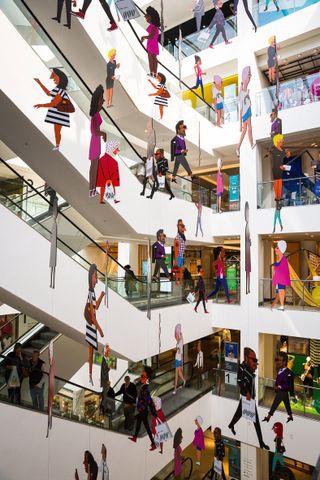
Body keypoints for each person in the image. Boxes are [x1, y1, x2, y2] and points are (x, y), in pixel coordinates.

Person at [228, 347, 269, 450]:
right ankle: (261, 443)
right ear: (246, 357)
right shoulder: (241, 367)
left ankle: (231, 425)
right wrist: (246, 392)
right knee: (256, 421)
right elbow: (239, 381)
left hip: (250, 397)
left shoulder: (250, 368)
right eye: (253, 359)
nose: (255, 361)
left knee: (240, 413)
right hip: (247, 397)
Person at [34, 68, 73, 151]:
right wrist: (39, 83)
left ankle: (58, 145)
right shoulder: (57, 89)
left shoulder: (61, 91)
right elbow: (48, 93)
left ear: (60, 78)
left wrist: (41, 105)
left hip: (59, 113)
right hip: (56, 112)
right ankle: (57, 145)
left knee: (57, 130)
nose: (53, 79)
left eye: (55, 77)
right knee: (56, 130)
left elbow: (54, 103)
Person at [84, 264, 105, 385]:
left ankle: (90, 375)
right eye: (95, 277)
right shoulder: (90, 293)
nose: (96, 280)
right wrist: (100, 329)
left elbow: (95, 307)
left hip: (91, 325)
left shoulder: (92, 293)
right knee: (90, 350)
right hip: (91, 325)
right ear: (91, 277)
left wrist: (101, 296)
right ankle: (90, 375)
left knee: (91, 351)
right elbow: (92, 315)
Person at [128, 367, 157, 451]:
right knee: (140, 424)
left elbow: (149, 402)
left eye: (143, 377)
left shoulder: (145, 389)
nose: (141, 378)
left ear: (147, 378)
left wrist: (154, 413)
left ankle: (153, 443)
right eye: (141, 376)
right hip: (141, 410)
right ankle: (136, 437)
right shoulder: (143, 386)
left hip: (143, 411)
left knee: (143, 425)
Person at [263, 352, 294, 423]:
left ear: (284, 362)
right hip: (282, 392)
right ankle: (290, 416)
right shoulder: (279, 370)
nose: (277, 362)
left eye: (279, 360)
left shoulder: (289, 373)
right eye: (277, 360)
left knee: (275, 403)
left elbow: (288, 386)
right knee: (287, 404)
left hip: (283, 391)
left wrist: (279, 386)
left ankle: (268, 417)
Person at [88, 85, 106, 198]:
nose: (103, 101)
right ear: (97, 101)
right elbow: (95, 132)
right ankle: (92, 190)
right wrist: (104, 134)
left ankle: (92, 189)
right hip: (95, 142)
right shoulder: (95, 115)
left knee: (94, 167)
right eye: (101, 99)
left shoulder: (96, 114)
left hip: (95, 142)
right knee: (94, 167)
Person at [236, 66, 255, 157]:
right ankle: (250, 144)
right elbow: (240, 108)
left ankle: (239, 147)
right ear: (245, 77)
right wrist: (239, 124)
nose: (250, 77)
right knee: (248, 128)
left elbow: (248, 103)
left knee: (246, 129)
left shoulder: (246, 91)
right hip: (245, 112)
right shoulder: (241, 92)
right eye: (249, 75)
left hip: (248, 110)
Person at [96, 140, 121, 204]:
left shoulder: (110, 159)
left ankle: (114, 200)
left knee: (110, 188)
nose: (117, 151)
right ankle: (102, 200)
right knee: (103, 188)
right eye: (116, 149)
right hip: (107, 179)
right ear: (111, 148)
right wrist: (108, 179)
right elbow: (105, 169)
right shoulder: (105, 159)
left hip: (109, 179)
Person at [141, 6, 160, 78]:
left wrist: (143, 37)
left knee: (151, 59)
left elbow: (151, 36)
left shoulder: (153, 27)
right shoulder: (154, 26)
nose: (146, 18)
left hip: (152, 44)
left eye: (147, 16)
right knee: (153, 58)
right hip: (153, 44)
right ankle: (154, 73)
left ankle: (153, 73)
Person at [271, 240, 291, 311]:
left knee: (281, 291)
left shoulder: (283, 259)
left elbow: (284, 271)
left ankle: (282, 305)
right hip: (279, 279)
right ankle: (282, 305)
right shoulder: (280, 258)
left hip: (281, 279)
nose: (275, 249)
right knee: (280, 291)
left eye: (277, 248)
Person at [271, 134, 289, 202]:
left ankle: (279, 196)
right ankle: (277, 197)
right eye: (282, 139)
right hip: (276, 168)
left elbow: (287, 156)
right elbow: (276, 160)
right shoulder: (274, 150)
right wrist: (280, 166)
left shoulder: (282, 149)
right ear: (278, 141)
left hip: (281, 169)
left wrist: (287, 152)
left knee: (280, 182)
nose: (283, 141)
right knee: (277, 182)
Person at [173, 324, 186, 394]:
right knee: (179, 373)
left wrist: (182, 364)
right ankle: (184, 380)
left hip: (178, 360)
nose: (175, 336)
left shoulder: (180, 343)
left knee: (176, 374)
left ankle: (175, 389)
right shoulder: (178, 342)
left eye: (176, 335)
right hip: (176, 359)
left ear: (178, 335)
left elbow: (181, 354)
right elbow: (178, 352)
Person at [174, 219, 187, 286]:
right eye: (180, 225)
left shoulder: (183, 236)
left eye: (182, 225)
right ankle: (177, 281)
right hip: (178, 256)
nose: (181, 226)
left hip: (181, 256)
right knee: (178, 270)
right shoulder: (177, 238)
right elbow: (176, 250)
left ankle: (180, 282)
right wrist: (176, 260)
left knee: (180, 270)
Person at [244, 201, 251, 294]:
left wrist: (249, 242)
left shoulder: (247, 227)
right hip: (247, 254)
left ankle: (248, 288)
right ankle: (247, 288)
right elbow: (247, 240)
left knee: (248, 273)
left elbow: (248, 240)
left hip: (248, 254)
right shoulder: (246, 227)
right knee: (247, 273)